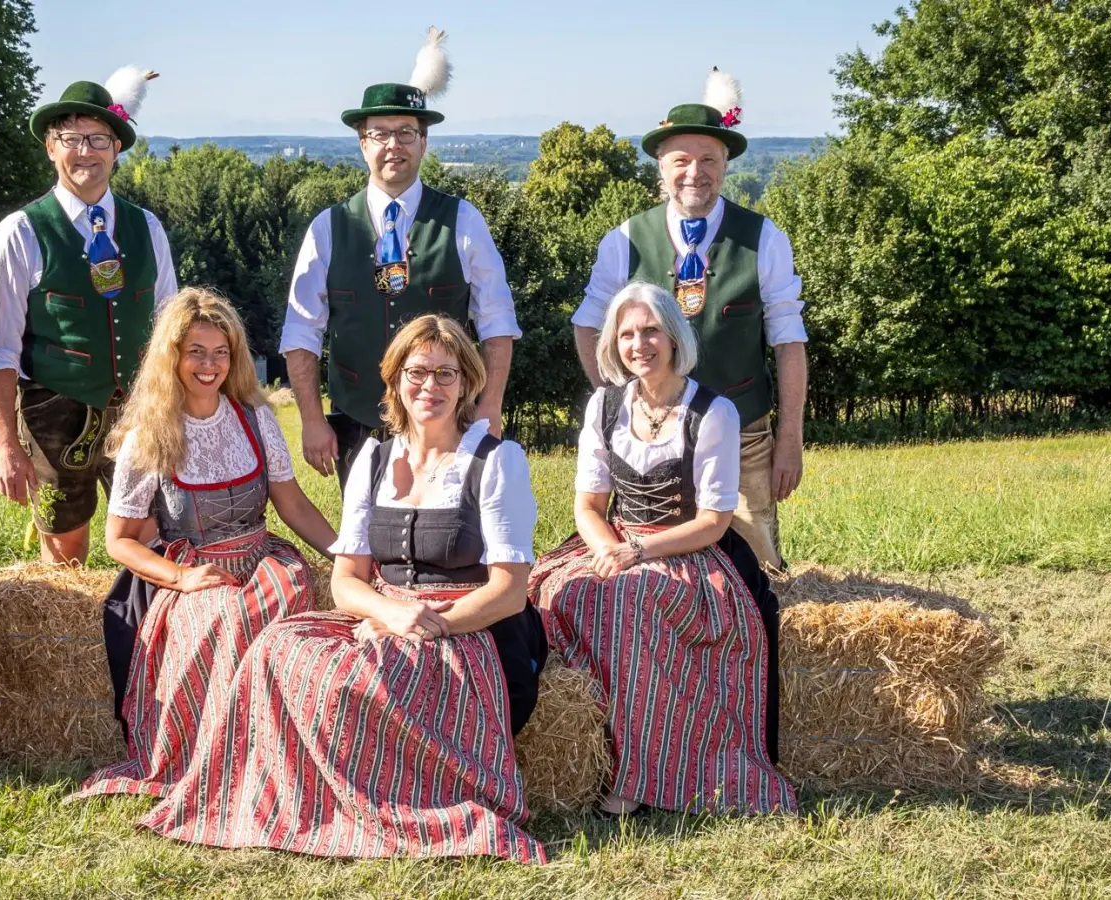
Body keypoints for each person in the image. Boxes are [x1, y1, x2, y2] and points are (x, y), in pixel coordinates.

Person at [139, 315, 549, 863]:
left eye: (445, 374)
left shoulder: (496, 461)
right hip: (385, 613)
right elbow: (345, 580)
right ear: (395, 380)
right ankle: (305, 801)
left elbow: (509, 591)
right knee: (277, 648)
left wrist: (431, 621)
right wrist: (388, 612)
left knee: (370, 671)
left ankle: (381, 801)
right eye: (417, 372)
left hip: (470, 627)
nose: (430, 387)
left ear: (468, 382)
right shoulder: (376, 460)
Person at [530, 282, 796, 817]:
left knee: (631, 602)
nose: (639, 343)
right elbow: (588, 506)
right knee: (559, 590)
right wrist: (608, 550)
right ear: (613, 343)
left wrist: (638, 555)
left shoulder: (711, 412)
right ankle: (589, 755)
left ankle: (637, 778)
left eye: (650, 330)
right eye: (627, 333)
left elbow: (714, 521)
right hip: (618, 543)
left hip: (692, 553)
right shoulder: (605, 407)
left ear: (674, 337)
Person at [74, 288, 336, 799]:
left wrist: (349, 557)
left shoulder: (254, 417)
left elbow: (293, 504)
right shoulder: (148, 434)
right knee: (225, 618)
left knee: (283, 613)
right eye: (196, 351)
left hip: (262, 559)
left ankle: (281, 753)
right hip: (191, 568)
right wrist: (183, 578)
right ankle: (223, 757)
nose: (209, 365)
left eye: (221, 353)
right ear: (172, 355)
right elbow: (120, 540)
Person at [570, 68, 806, 571]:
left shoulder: (764, 239)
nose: (694, 172)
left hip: (742, 431)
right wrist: (611, 404)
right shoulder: (623, 240)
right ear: (661, 167)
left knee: (757, 568)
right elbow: (587, 324)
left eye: (708, 160)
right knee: (651, 568)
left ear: (725, 166)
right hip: (646, 437)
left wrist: (790, 440)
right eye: (680, 160)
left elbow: (788, 343)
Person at [280, 27, 521, 486]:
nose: (395, 145)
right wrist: (312, 419)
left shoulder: (463, 221)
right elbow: (301, 331)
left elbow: (496, 321)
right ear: (362, 143)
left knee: (446, 537)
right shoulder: (328, 228)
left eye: (407, 133)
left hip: (447, 417)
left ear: (424, 142)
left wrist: (489, 406)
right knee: (363, 543)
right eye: (381, 134)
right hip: (356, 419)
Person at [0, 68, 179, 564]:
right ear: (51, 147)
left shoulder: (147, 227)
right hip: (53, 412)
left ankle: (144, 638)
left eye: (98, 139)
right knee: (66, 550)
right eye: (71, 138)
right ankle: (73, 639)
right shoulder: (19, 232)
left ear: (117, 149)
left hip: (139, 411)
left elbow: (170, 327)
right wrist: (5, 444)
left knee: (155, 539)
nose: (85, 151)